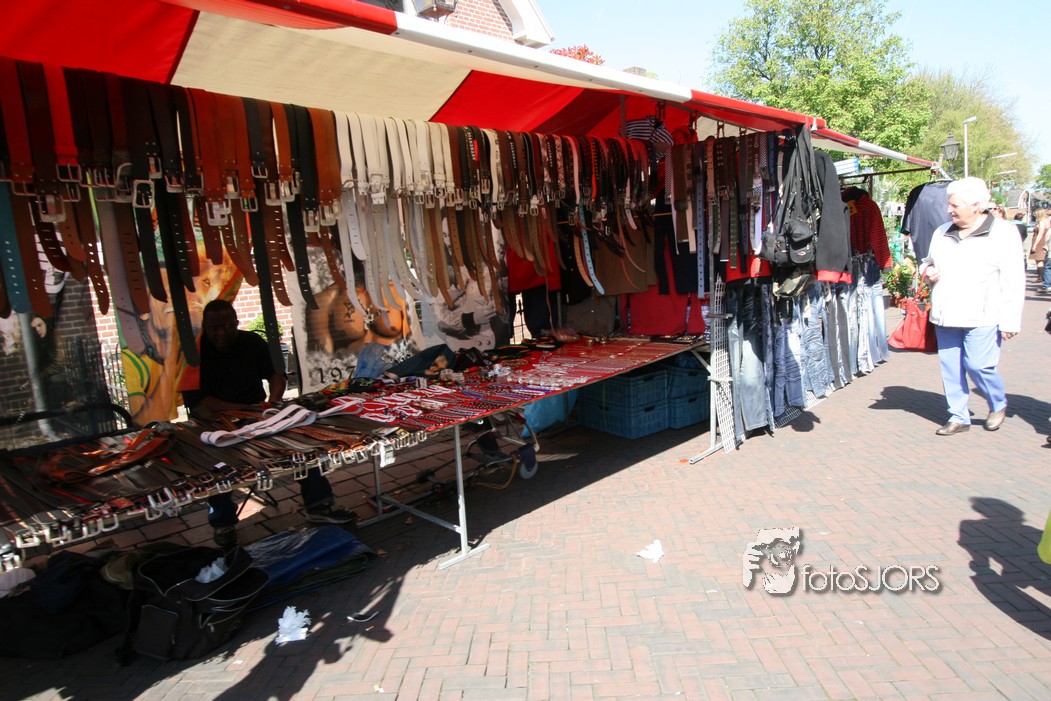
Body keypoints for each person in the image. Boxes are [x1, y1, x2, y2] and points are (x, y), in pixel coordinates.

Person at [182, 299, 357, 549]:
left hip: (258, 414)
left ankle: (319, 505)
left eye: (228, 326)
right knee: (218, 467)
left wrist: (273, 402)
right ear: (204, 327)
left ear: (236, 323)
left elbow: (276, 375)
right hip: (214, 421)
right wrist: (243, 410)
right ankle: (223, 523)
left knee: (300, 448)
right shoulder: (193, 353)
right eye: (214, 327)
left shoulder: (251, 342)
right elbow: (199, 401)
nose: (222, 333)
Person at [919, 177, 1025, 436]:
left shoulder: (1003, 233)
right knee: (951, 368)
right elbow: (927, 261)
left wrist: (1010, 320)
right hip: (946, 313)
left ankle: (997, 402)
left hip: (983, 314)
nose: (949, 210)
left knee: (978, 366)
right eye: (949, 204)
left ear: (977, 205)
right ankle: (958, 416)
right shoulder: (942, 231)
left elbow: (1014, 279)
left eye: (955, 205)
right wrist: (928, 270)